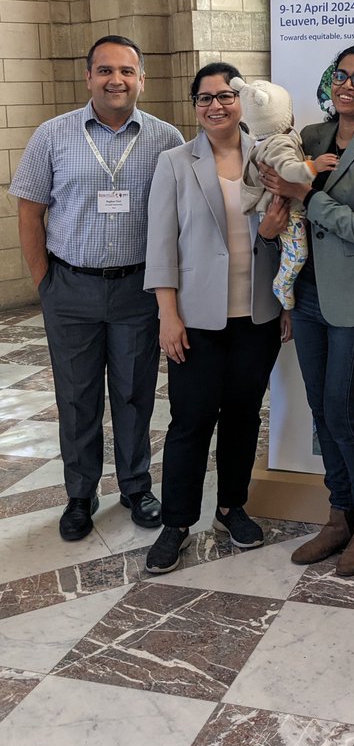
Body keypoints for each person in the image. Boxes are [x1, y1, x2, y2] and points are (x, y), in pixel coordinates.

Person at [10, 36, 183, 541]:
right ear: (88, 77)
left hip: (137, 290)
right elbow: (29, 209)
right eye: (105, 70)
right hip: (72, 288)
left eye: (127, 71)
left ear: (141, 79)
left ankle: (135, 485)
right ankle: (80, 495)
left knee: (134, 394)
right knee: (77, 397)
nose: (116, 80)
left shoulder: (165, 139)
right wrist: (45, 282)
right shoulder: (53, 135)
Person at [260, 44, 354, 577]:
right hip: (310, 294)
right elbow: (272, 178)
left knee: (343, 411)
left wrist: (308, 192)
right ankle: (339, 515)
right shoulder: (314, 138)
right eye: (340, 76)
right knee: (323, 410)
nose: (346, 85)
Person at [143, 62, 291, 574]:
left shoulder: (270, 155)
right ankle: (177, 522)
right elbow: (160, 243)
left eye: (225, 96)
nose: (215, 106)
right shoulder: (176, 162)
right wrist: (167, 313)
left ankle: (232, 507)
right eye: (203, 98)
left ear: (243, 101)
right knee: (190, 422)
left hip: (258, 314)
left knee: (244, 415)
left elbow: (289, 237)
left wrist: (284, 303)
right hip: (196, 318)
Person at [229, 76, 338, 309]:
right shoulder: (280, 144)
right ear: (286, 116)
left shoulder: (265, 141)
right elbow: (289, 170)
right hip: (287, 211)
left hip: (274, 207)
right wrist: (313, 166)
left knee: (290, 250)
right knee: (298, 253)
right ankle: (282, 284)